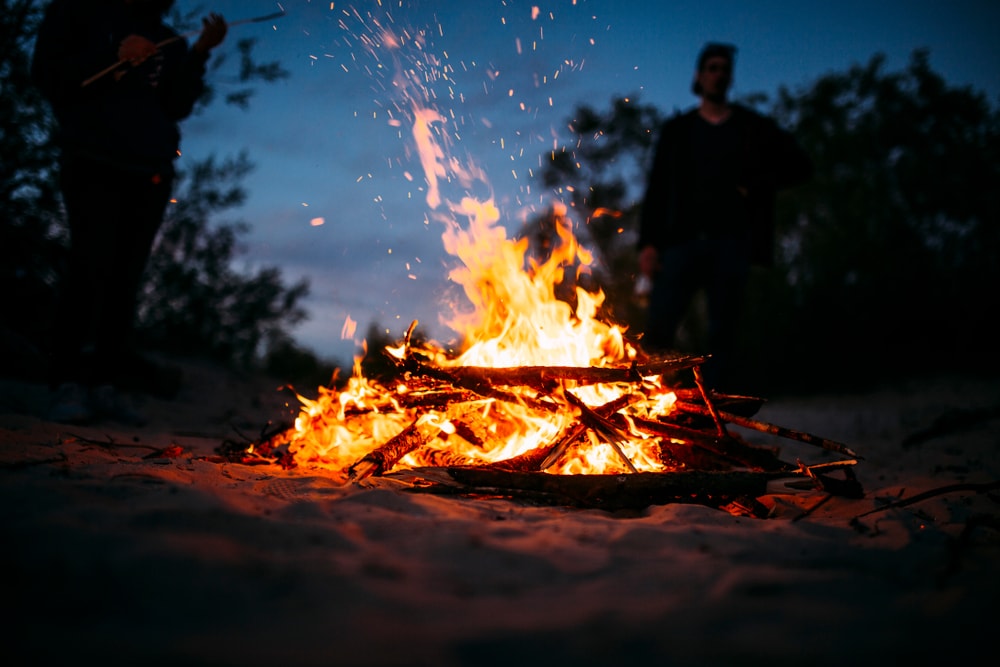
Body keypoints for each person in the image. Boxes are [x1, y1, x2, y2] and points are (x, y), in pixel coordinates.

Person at [31, 0, 227, 424]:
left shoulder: (168, 37)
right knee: (88, 266)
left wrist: (198, 53)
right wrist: (114, 55)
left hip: (150, 174)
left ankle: (105, 384)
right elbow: (48, 76)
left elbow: (176, 105)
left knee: (126, 278)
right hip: (92, 161)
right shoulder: (80, 13)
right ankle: (65, 382)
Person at [638, 42, 812, 389]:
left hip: (731, 244)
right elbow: (656, 189)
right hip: (680, 244)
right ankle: (641, 399)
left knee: (723, 334)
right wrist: (647, 244)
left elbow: (801, 165)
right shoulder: (679, 131)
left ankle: (714, 411)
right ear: (699, 77)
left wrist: (759, 185)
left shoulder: (752, 127)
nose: (718, 74)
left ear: (730, 78)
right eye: (712, 68)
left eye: (724, 69)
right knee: (659, 327)